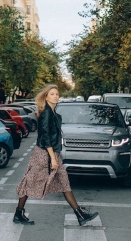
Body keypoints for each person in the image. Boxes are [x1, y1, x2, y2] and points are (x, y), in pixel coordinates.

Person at [14, 84, 99, 226]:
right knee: (30, 182)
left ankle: (80, 214)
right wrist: (52, 158)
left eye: (57, 94)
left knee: (64, 182)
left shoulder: (52, 113)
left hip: (53, 153)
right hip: (43, 154)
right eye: (52, 94)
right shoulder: (46, 113)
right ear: (46, 96)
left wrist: (55, 156)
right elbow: (45, 136)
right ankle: (18, 213)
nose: (55, 96)